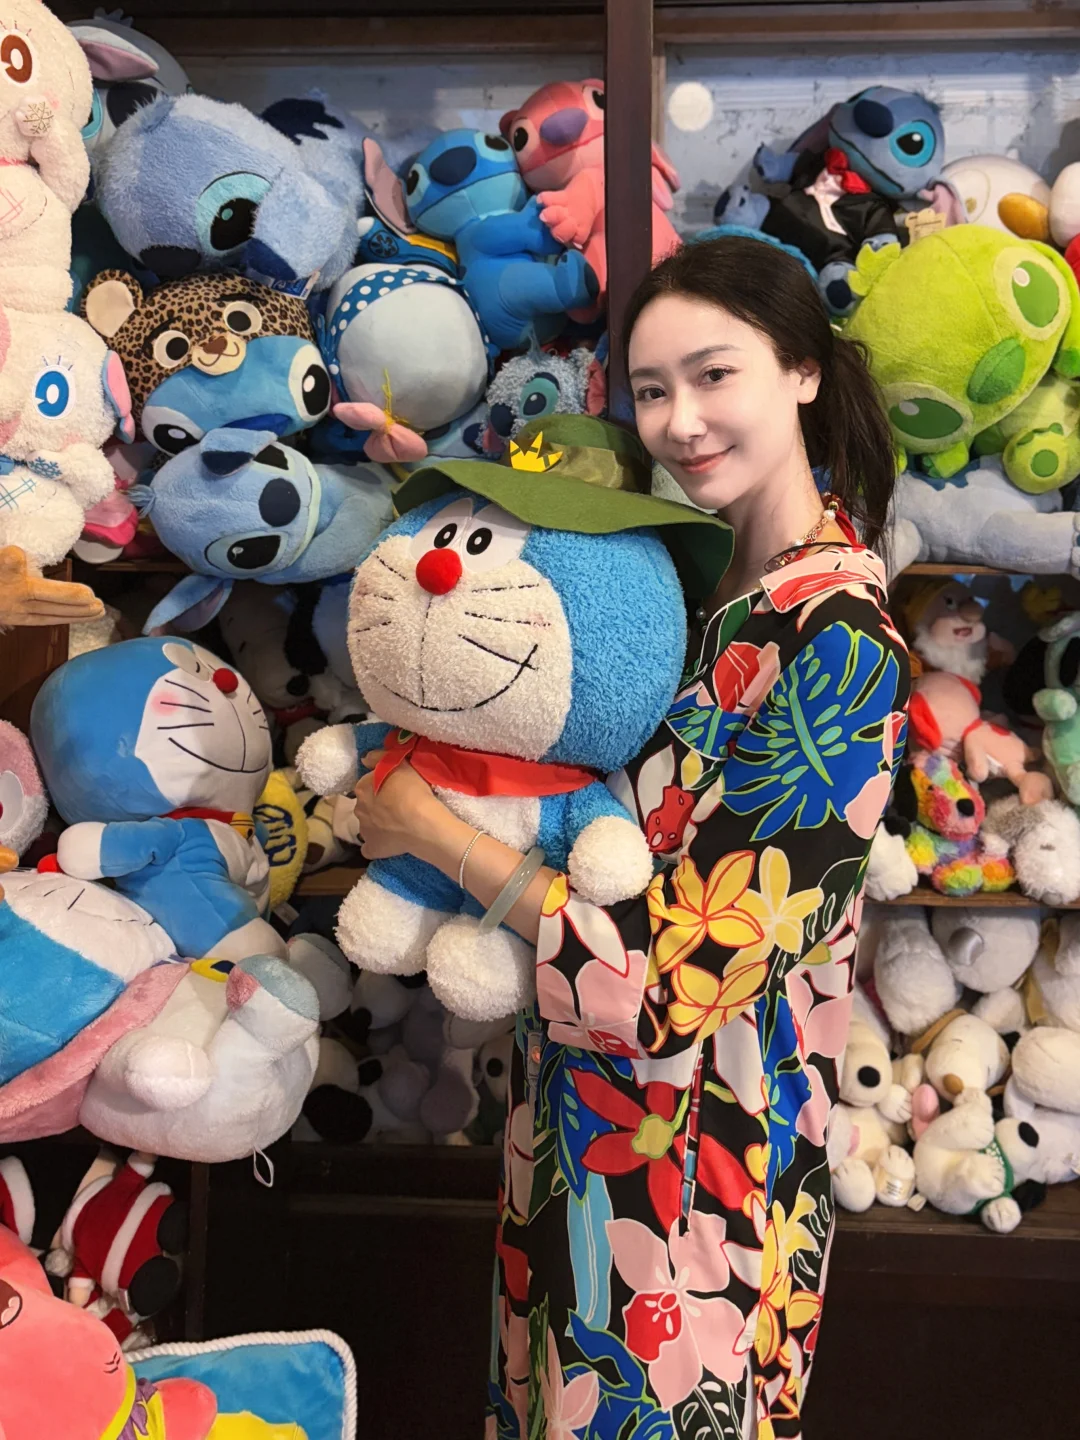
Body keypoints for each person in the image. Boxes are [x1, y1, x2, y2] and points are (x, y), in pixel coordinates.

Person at [350, 235, 910, 1440]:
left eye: (715, 375)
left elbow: (675, 982)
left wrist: (435, 834)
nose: (681, 421)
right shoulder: (688, 589)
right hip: (575, 1134)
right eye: (653, 390)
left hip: (697, 1183)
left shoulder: (842, 646)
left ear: (802, 370)